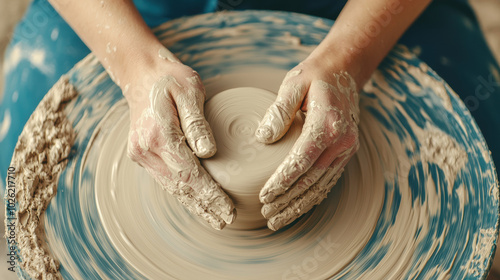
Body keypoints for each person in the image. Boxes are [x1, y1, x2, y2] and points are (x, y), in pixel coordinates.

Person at [1, 0, 499, 231]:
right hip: (132, 11)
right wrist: (133, 65)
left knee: (479, 166)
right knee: (21, 185)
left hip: (350, 10)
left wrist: (349, 58)